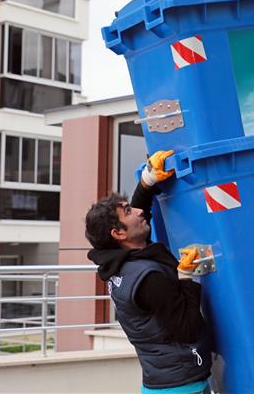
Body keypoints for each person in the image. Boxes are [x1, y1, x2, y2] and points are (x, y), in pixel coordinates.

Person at [85, 150, 212, 393]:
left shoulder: (122, 264)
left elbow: (139, 213)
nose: (138, 211)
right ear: (118, 234)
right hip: (183, 387)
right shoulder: (149, 279)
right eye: (128, 211)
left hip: (163, 380)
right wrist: (186, 277)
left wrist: (147, 181)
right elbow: (188, 329)